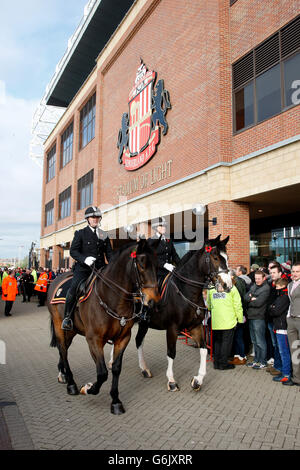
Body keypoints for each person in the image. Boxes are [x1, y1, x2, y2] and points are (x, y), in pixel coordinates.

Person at [61, 206, 113, 331]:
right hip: (83, 269)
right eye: (92, 217)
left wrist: (113, 265)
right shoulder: (80, 233)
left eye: (97, 217)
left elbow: (109, 254)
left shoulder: (104, 235)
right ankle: (67, 317)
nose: (95, 219)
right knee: (74, 288)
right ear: (87, 219)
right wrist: (85, 259)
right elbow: (73, 251)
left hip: (100, 269)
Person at [207, 282, 243, 370]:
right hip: (228, 321)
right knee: (226, 343)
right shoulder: (232, 288)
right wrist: (240, 319)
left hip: (216, 320)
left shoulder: (211, 288)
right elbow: (237, 305)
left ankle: (216, 363)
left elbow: (209, 304)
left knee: (217, 342)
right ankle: (223, 364)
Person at [245, 270, 270, 369]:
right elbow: (245, 297)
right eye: (255, 278)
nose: (257, 280)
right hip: (251, 316)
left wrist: (251, 299)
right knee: (254, 341)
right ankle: (256, 360)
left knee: (260, 341)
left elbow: (258, 303)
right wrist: (252, 298)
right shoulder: (254, 285)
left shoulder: (266, 288)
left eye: (259, 278)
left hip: (259, 318)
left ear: (264, 278)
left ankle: (263, 362)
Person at [268, 278, 291, 384]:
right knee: (282, 351)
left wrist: (272, 308)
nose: (276, 289)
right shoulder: (280, 297)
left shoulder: (284, 297)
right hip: (278, 326)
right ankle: (284, 372)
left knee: (284, 352)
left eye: (277, 287)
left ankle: (286, 374)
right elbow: (271, 308)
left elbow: (275, 310)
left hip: (282, 327)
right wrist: (272, 308)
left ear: (282, 287)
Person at [148, 216, 180, 288]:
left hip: (169, 272)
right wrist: (165, 265)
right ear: (156, 228)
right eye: (161, 226)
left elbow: (175, 256)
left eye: (165, 226)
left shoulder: (168, 240)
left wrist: (181, 265)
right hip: (157, 273)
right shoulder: (151, 241)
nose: (164, 227)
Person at [284, 261, 300, 386]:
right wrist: (288, 316)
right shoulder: (289, 285)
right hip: (291, 321)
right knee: (294, 350)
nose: (294, 274)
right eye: (293, 271)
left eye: (297, 271)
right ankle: (296, 378)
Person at [229, 270, 247, 365]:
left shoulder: (237, 284)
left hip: (239, 313)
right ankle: (237, 356)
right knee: (237, 336)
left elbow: (239, 300)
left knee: (239, 336)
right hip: (238, 313)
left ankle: (242, 356)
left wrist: (239, 316)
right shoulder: (236, 282)